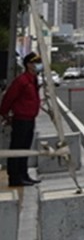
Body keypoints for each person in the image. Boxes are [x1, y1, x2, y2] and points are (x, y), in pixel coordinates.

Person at [1, 51, 44, 187]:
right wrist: (4, 114)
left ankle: (24, 175)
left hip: (30, 119)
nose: (38, 65)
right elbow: (9, 97)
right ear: (28, 65)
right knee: (17, 149)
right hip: (21, 120)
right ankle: (14, 177)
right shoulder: (22, 81)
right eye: (35, 62)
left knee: (25, 149)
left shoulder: (33, 80)